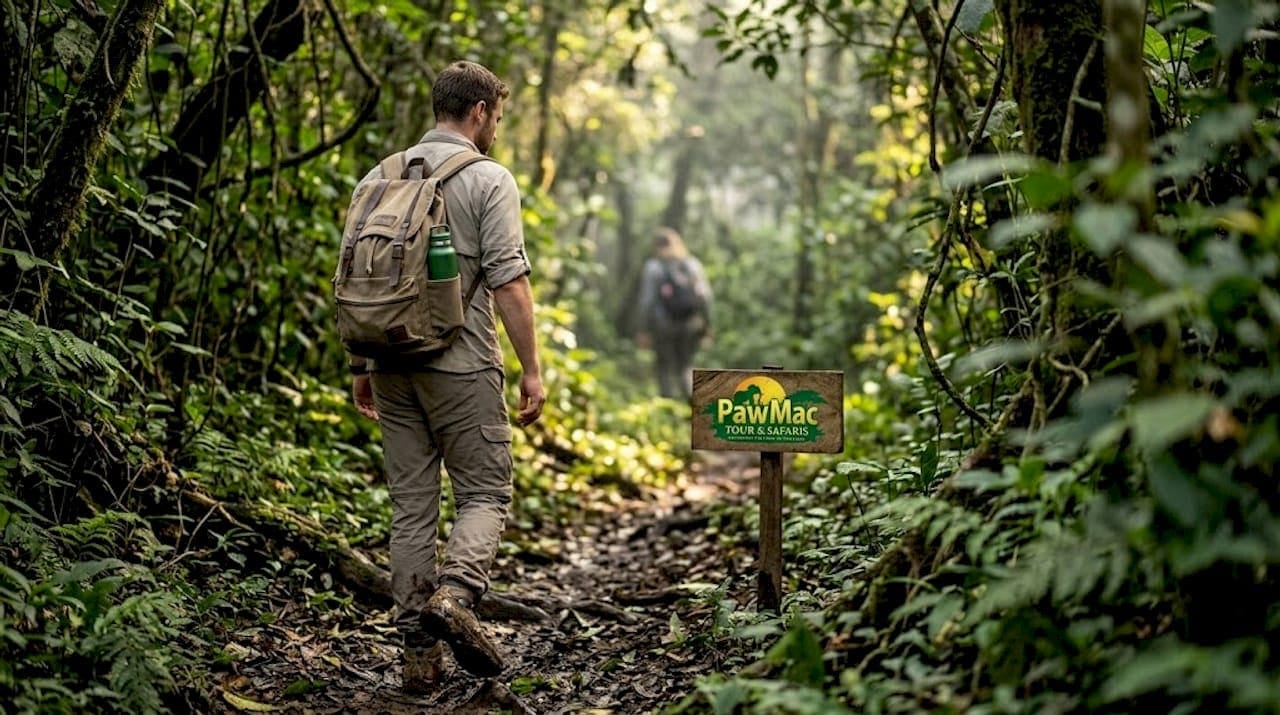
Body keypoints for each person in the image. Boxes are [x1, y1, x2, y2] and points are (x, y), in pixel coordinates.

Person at [345, 61, 545, 691]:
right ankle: (455, 596)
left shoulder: (376, 176)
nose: (496, 129)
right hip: (460, 362)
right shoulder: (488, 178)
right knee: (486, 493)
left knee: (411, 510)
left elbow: (354, 278)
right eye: (497, 117)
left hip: (390, 362)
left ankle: (416, 662)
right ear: (480, 111)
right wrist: (532, 370)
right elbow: (509, 281)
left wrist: (361, 365)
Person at [634, 227, 712, 400]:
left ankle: (668, 410)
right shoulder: (692, 265)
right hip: (690, 324)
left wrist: (643, 330)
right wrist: (707, 325)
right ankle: (694, 409)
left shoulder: (653, 267)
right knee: (686, 367)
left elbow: (646, 301)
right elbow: (705, 297)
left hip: (663, 325)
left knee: (664, 368)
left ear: (656, 247)